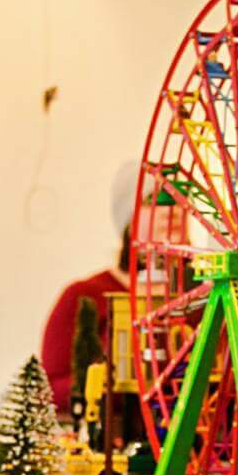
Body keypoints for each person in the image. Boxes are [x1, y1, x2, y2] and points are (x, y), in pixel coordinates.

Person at [38, 162, 141, 417]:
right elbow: (51, 387)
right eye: (154, 202)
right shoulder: (85, 296)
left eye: (180, 203)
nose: (171, 213)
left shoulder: (202, 301)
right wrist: (105, 386)